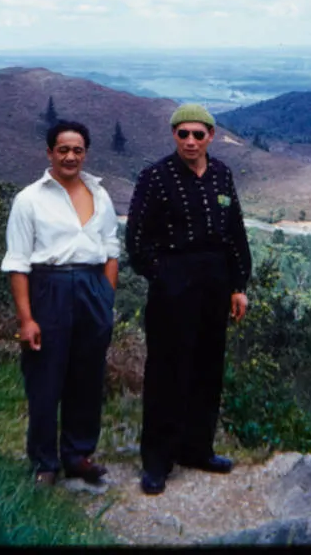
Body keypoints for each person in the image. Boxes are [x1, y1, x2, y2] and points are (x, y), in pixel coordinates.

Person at [126, 103, 252, 495]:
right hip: (173, 283)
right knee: (166, 371)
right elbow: (136, 240)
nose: (191, 141)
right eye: (184, 134)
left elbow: (235, 233)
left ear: (211, 136)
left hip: (215, 281)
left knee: (207, 368)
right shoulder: (156, 178)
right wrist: (162, 277)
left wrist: (239, 285)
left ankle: (197, 449)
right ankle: (157, 462)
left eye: (199, 134)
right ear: (174, 135)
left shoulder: (221, 175)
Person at [1, 119, 119, 487]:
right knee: (45, 379)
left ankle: (78, 455)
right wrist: (26, 319)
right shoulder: (29, 199)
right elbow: (18, 263)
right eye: (63, 149)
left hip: (91, 287)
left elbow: (111, 250)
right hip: (48, 288)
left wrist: (105, 297)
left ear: (86, 153)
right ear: (50, 152)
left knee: (86, 377)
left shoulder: (100, 195)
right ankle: (44, 462)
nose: (71, 156)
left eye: (78, 150)